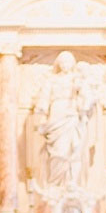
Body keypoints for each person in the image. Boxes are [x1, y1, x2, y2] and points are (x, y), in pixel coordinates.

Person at [34, 51, 98, 188]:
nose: (65, 65)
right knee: (58, 151)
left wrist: (83, 99)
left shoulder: (77, 80)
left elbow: (88, 98)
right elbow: (44, 99)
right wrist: (42, 117)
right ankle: (55, 185)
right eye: (62, 62)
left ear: (73, 64)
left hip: (72, 115)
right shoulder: (51, 80)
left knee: (74, 148)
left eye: (68, 62)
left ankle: (72, 182)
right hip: (57, 112)